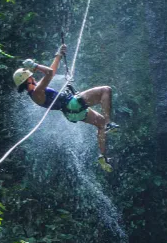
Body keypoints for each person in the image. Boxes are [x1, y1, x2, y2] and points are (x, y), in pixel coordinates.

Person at [13, 44, 119, 172]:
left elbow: (51, 72)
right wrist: (35, 66)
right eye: (31, 76)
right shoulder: (36, 92)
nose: (33, 76)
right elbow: (50, 73)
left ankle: (103, 156)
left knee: (100, 123)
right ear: (28, 80)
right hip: (72, 104)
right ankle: (109, 123)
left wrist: (58, 55)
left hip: (71, 113)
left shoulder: (35, 92)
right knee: (106, 90)